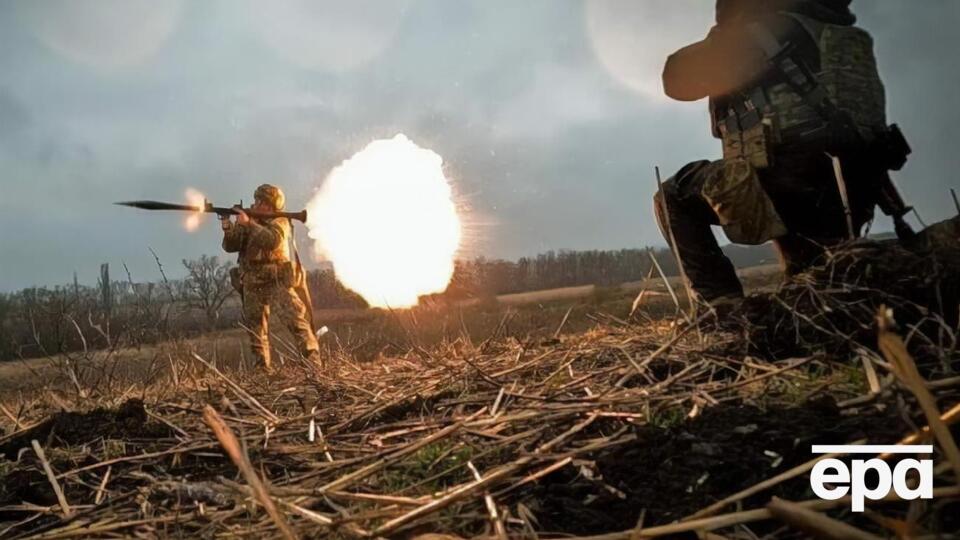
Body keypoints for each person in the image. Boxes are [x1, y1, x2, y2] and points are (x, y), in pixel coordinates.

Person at [654, 0, 903, 305]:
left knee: (672, 196)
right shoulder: (840, 33)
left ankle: (723, 315)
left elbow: (676, 79)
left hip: (788, 187)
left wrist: (727, 26)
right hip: (856, 191)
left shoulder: (761, 34)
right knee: (811, 292)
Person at [221, 184, 320, 371]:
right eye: (256, 200)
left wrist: (250, 224)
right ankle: (262, 371)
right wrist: (228, 225)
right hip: (252, 282)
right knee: (256, 331)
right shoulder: (249, 220)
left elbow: (271, 241)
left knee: (296, 322)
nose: (256, 204)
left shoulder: (280, 221)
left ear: (270, 205)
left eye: (261, 201)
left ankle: (314, 364)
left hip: (276, 281)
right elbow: (231, 246)